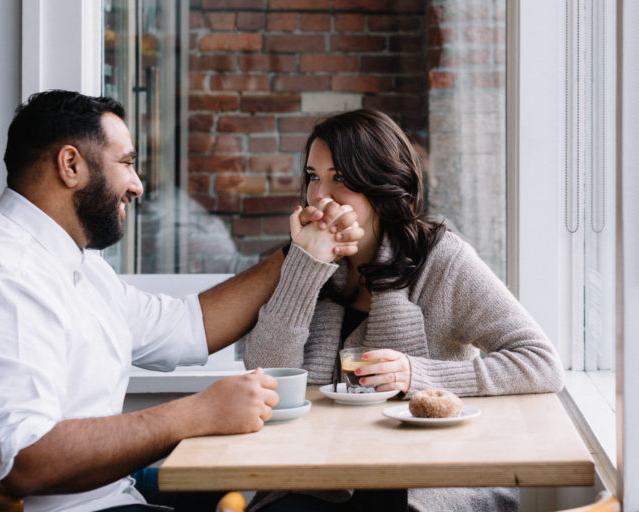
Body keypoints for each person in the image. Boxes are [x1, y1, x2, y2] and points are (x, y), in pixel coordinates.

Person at [0, 90, 364, 512]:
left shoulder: (76, 264)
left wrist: (298, 252)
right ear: (70, 165)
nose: (136, 186)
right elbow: (23, 459)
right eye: (127, 163)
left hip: (109, 495)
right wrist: (195, 414)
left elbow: (189, 326)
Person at [242, 109, 565, 512]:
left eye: (340, 178)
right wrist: (305, 267)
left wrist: (417, 375)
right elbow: (266, 374)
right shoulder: (306, 261)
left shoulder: (442, 260)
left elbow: (540, 363)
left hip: (422, 479)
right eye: (313, 176)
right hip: (319, 475)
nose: (319, 196)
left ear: (379, 185)